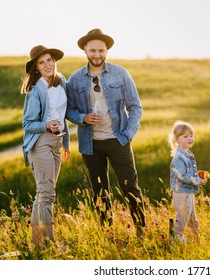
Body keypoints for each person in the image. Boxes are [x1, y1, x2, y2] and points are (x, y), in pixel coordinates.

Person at [66, 28, 145, 237]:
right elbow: (68, 110)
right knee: (100, 193)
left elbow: (135, 107)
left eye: (101, 50)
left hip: (118, 139)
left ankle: (141, 231)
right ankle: (107, 235)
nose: (97, 55)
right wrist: (82, 118)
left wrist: (127, 134)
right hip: (91, 143)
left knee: (130, 187)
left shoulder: (121, 73)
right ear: (85, 50)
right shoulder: (74, 80)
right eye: (93, 50)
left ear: (107, 51)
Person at [21, 45, 70, 246]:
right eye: (42, 63)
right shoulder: (35, 91)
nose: (47, 65)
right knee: (47, 194)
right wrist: (46, 125)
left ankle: (36, 242)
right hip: (40, 142)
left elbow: (64, 115)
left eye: (49, 60)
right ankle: (48, 241)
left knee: (42, 193)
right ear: (36, 68)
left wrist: (65, 143)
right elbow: (27, 124)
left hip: (56, 142)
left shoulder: (62, 82)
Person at [169, 120, 208, 242]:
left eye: (191, 135)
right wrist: (197, 180)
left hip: (188, 192)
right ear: (177, 140)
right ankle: (176, 237)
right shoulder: (179, 157)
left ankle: (196, 239)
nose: (190, 138)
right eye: (185, 136)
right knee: (183, 216)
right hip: (181, 193)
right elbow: (183, 176)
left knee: (192, 217)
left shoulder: (187, 154)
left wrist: (199, 178)